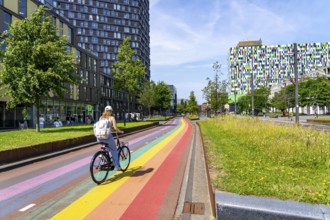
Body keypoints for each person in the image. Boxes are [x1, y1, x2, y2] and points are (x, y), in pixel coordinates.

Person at [97, 105, 124, 171]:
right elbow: (115, 129)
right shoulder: (112, 118)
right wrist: (120, 131)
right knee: (114, 150)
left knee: (107, 147)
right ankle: (116, 166)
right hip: (107, 137)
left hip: (99, 137)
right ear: (111, 111)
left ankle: (102, 155)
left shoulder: (101, 118)